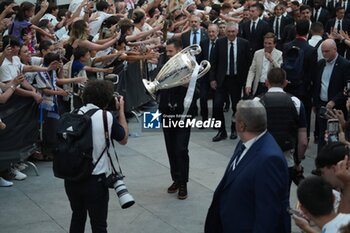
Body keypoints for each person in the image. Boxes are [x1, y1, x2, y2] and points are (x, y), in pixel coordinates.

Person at [205, 100, 291, 233]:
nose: (233, 121)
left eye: (235, 118)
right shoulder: (245, 142)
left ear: (242, 126)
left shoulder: (270, 160)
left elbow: (267, 216)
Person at [64, 80, 128, 233]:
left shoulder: (72, 114)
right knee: (99, 225)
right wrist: (121, 111)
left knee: (77, 217)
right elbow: (124, 139)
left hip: (72, 178)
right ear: (107, 99)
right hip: (95, 180)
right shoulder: (106, 117)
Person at [158, 38, 197, 200]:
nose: (167, 55)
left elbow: (199, 92)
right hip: (167, 113)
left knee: (181, 149)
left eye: (170, 51)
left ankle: (183, 183)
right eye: (166, 51)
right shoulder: (165, 64)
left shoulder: (190, 66)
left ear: (179, 51)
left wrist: (186, 85)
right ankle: (175, 178)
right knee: (171, 149)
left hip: (183, 115)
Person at [257, 68, 308, 189]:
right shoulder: (296, 102)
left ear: (266, 82)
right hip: (286, 160)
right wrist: (298, 162)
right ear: (285, 82)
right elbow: (303, 141)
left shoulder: (257, 102)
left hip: (261, 159)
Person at [210, 22, 251, 142]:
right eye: (229, 32)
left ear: (237, 32)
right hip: (221, 80)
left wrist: (246, 82)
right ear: (225, 32)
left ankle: (234, 129)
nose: (231, 34)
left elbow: (248, 63)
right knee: (217, 106)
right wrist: (212, 79)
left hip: (236, 80)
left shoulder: (244, 43)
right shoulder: (220, 42)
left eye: (233, 31)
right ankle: (221, 131)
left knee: (235, 107)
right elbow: (213, 62)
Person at [313, 39, 350, 152]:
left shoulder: (345, 65)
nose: (324, 54)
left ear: (335, 49)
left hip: (336, 108)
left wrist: (334, 101)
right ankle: (320, 165)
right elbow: (316, 84)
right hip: (322, 105)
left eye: (327, 51)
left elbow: (347, 88)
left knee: (334, 136)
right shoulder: (320, 64)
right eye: (323, 51)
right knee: (321, 135)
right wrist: (315, 103)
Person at [245, 32, 283, 97]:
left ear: (274, 44)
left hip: (270, 87)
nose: (267, 45)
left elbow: (279, 71)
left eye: (269, 43)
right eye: (265, 43)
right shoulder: (257, 53)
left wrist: (272, 60)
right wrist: (248, 84)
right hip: (258, 86)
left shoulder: (279, 54)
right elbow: (252, 70)